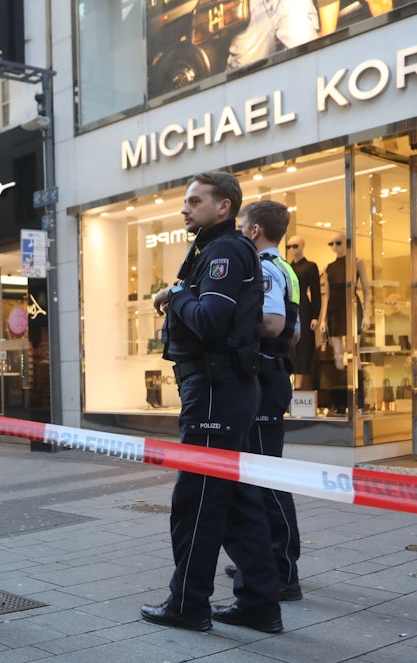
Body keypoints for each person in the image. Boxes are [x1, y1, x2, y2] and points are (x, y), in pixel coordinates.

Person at [141, 171, 282, 634]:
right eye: (185, 201)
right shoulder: (218, 248)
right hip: (225, 389)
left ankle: (188, 603)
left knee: (196, 501)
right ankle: (260, 602)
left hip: (216, 392)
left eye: (195, 201)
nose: (185, 208)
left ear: (224, 207)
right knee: (239, 501)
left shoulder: (223, 250)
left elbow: (211, 320)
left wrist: (177, 293)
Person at [224, 200, 304, 602]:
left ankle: (284, 571)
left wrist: (227, 316)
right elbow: (293, 334)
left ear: (254, 230)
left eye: (241, 225)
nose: (238, 232)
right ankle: (261, 557)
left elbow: (272, 324)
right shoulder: (286, 268)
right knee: (257, 472)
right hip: (272, 374)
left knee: (267, 476)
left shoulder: (265, 268)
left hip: (266, 377)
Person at [318, 233, 371, 413]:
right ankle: (340, 402)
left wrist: (367, 314)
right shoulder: (328, 267)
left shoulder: (356, 262)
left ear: (346, 244)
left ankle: (359, 400)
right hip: (334, 309)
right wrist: (323, 318)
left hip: (352, 307)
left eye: (338, 242)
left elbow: (367, 290)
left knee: (354, 355)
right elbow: (327, 295)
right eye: (331, 243)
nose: (334, 246)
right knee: (338, 357)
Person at [226, 0, 318, 70]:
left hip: (290, 4)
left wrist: (329, 37)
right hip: (247, 8)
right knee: (244, 80)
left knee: (313, 63)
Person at [284, 235, 321, 390]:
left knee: (304, 343)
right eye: (289, 246)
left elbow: (316, 292)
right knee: (288, 343)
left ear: (303, 246)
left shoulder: (311, 267)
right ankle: (289, 381)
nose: (292, 249)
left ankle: (299, 385)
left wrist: (315, 316)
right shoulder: (286, 266)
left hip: (304, 307)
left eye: (295, 246)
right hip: (288, 305)